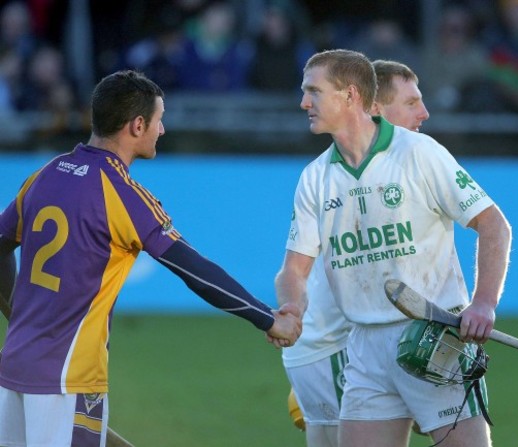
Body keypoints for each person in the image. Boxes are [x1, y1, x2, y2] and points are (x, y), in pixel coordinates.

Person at [0, 69, 301, 447]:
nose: (163, 130)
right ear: (137, 125)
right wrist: (267, 318)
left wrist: (16, 314)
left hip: (13, 368)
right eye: (159, 121)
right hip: (69, 376)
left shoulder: (45, 174)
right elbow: (194, 269)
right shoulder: (122, 193)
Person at [275, 49, 511, 447]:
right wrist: (293, 308)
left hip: (434, 336)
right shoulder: (315, 177)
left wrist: (484, 302)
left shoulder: (419, 153)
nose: (304, 102)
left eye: (313, 91)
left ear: (350, 96)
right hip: (364, 346)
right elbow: (293, 271)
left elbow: (494, 226)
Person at [282, 58, 430, 447]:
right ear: (375, 107)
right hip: (338, 349)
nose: (424, 113)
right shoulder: (336, 173)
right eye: (412, 102)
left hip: (337, 351)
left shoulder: (397, 165)